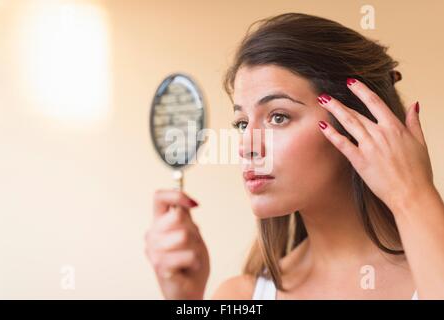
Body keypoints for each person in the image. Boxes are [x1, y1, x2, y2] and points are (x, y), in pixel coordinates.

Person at [144, 12, 444, 300]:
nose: (246, 146)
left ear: (357, 123)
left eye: (278, 117)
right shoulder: (241, 296)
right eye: (242, 123)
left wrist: (412, 194)